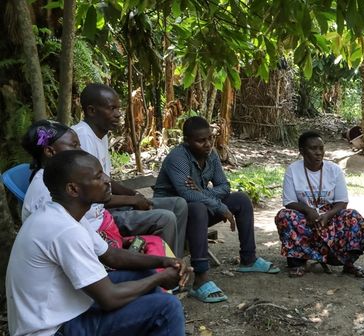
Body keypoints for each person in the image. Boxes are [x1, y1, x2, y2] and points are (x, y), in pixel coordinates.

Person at [6, 150, 230, 336]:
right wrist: (159, 279)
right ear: (74, 189)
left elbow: (112, 256)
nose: (107, 180)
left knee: (144, 272)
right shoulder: (65, 230)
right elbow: (109, 298)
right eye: (98, 177)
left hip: (62, 317)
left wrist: (163, 262)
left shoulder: (64, 215)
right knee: (166, 307)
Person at [154, 116, 279, 303]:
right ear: (187, 141)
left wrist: (201, 192)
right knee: (197, 208)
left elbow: (224, 186)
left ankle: (249, 259)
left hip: (199, 206)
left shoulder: (211, 155)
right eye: (200, 140)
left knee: (241, 199)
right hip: (173, 214)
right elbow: (187, 195)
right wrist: (218, 205)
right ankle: (201, 278)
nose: (208, 144)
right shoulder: (177, 158)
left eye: (210, 138)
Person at [21, 120, 170, 265]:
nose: (81, 149)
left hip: (95, 240)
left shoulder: (58, 179)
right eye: (74, 145)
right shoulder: (47, 192)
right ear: (50, 151)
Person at [73, 83, 188, 257]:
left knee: (178, 204)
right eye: (112, 108)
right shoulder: (81, 138)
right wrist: (132, 201)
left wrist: (132, 194)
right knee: (165, 219)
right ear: (91, 110)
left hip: (108, 206)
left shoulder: (100, 134)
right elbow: (91, 195)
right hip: (97, 216)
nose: (118, 114)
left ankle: (174, 267)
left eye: (118, 108)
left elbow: (105, 180)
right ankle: (164, 276)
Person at [275, 131, 364, 277]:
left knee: (353, 216)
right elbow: (289, 202)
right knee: (284, 216)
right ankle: (298, 263)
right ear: (302, 151)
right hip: (304, 216)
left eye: (321, 148)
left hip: (330, 216)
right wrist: (308, 211)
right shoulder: (293, 170)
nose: (319, 153)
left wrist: (327, 215)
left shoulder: (334, 170)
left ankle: (348, 263)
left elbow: (342, 201)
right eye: (313, 149)